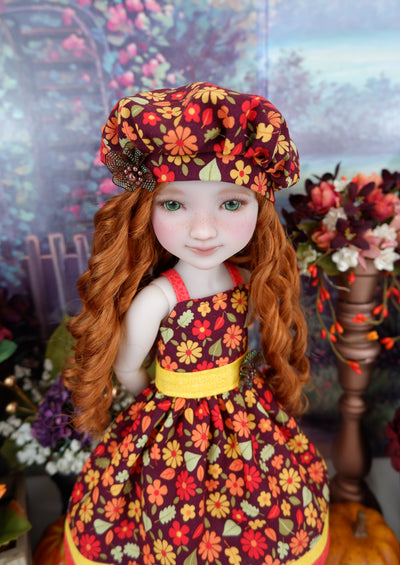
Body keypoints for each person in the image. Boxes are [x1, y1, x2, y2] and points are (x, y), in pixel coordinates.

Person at [63, 82, 330, 565]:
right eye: (174, 204)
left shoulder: (246, 278)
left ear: (261, 207)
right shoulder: (159, 299)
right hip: (173, 425)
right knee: (170, 513)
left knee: (264, 505)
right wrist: (155, 394)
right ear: (145, 210)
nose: (203, 231)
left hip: (245, 418)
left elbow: (133, 372)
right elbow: (126, 367)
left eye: (231, 203)